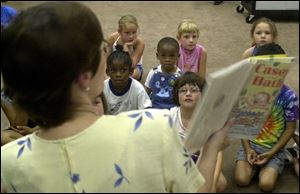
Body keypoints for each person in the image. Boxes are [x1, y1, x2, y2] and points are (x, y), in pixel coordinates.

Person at [1, 2, 233, 192]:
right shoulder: (156, 128)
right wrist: (211, 147)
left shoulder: (7, 161)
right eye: (102, 47)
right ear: (85, 76)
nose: (107, 51)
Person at [234, 43, 299, 192]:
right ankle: (254, 164)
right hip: (250, 145)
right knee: (241, 180)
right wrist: (248, 148)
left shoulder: (289, 97)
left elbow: (290, 128)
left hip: (273, 149)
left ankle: (281, 159)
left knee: (266, 185)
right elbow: (241, 122)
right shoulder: (249, 91)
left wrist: (272, 152)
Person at [171, 72, 227, 193]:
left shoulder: (210, 119)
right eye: (183, 90)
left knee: (221, 183)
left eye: (194, 90)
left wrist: (213, 181)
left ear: (204, 95)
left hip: (203, 160)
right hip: (177, 161)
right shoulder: (170, 117)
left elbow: (218, 153)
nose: (188, 94)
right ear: (177, 95)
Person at [103, 49, 151, 115]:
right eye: (113, 70)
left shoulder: (138, 88)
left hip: (132, 123)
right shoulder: (103, 88)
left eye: (123, 70)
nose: (118, 74)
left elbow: (146, 110)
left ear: (131, 71)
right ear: (107, 72)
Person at [145, 37, 182, 110]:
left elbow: (181, 96)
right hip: (154, 107)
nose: (167, 59)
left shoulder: (180, 76)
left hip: (173, 109)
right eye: (163, 56)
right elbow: (146, 93)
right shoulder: (153, 72)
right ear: (157, 56)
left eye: (171, 56)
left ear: (178, 56)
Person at [106, 15, 145, 81]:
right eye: (127, 33)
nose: (131, 36)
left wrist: (127, 50)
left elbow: (132, 66)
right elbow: (106, 58)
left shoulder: (140, 43)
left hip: (133, 69)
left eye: (134, 32)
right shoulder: (112, 38)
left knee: (132, 75)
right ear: (120, 32)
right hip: (114, 65)